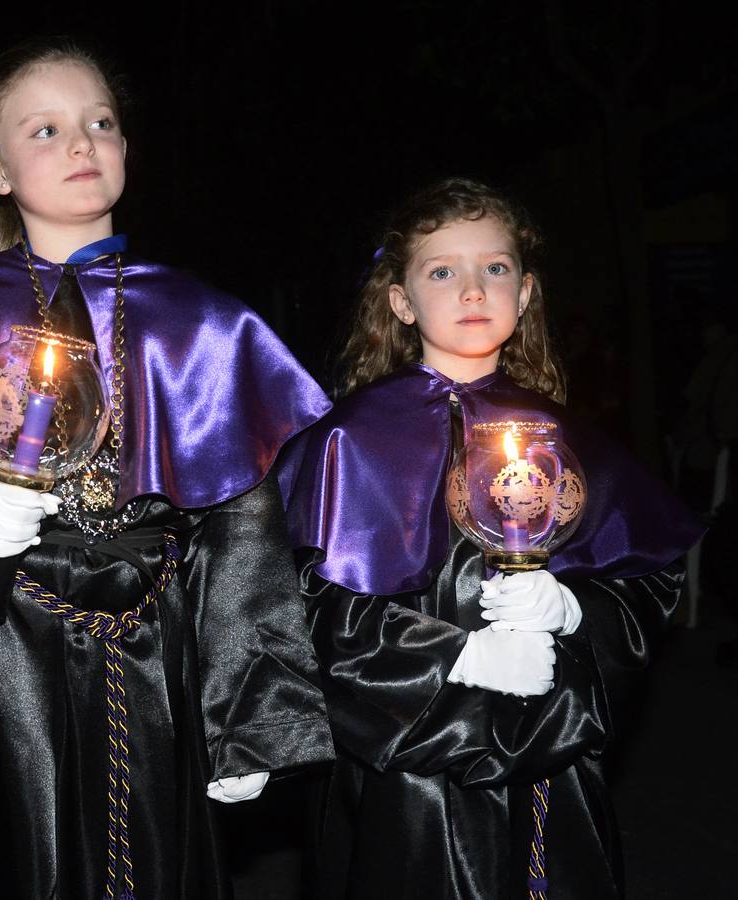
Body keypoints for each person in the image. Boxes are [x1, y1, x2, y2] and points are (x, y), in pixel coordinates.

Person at [0, 39, 334, 900]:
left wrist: (249, 718)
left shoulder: (203, 320)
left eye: (101, 123)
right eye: (45, 129)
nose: (82, 144)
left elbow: (241, 531)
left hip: (153, 657)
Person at [283, 177, 702, 899]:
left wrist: (573, 612)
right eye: (442, 271)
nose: (472, 289)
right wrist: (460, 655)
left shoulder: (565, 436)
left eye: (495, 268)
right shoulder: (353, 441)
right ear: (401, 302)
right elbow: (312, 614)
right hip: (414, 773)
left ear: (527, 292)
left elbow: (643, 580)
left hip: (552, 764)